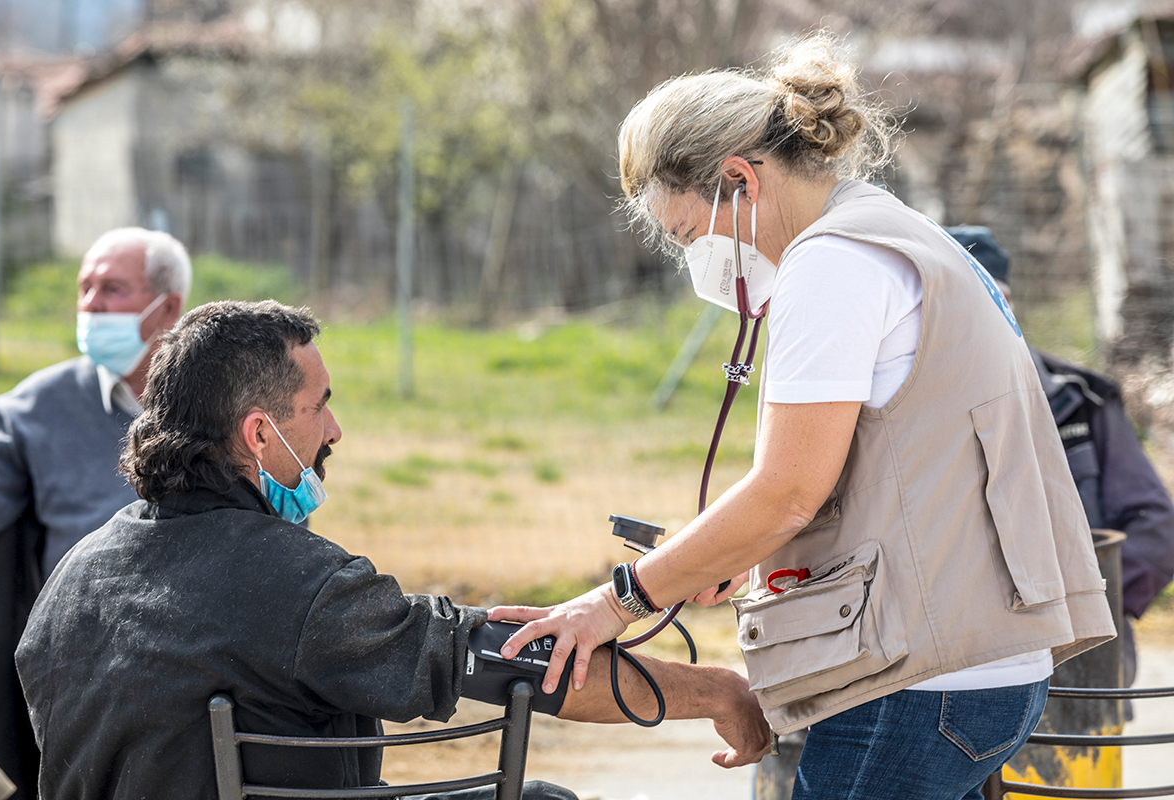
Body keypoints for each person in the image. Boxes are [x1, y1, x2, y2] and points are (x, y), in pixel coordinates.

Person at [488, 32, 1115, 800]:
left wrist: (614, 601)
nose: (698, 261)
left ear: (740, 181)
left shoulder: (831, 265)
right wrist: (732, 552)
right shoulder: (894, 231)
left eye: (691, 234)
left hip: (920, 685)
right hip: (985, 667)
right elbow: (905, 462)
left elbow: (788, 490)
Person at [13, 300, 769, 800]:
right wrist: (718, 692)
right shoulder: (297, 586)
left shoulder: (70, 582)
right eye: (321, 406)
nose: (334, 431)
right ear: (257, 434)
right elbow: (524, 666)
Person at [0, 228, 189, 799]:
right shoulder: (30, 410)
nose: (92, 305)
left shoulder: (225, 409)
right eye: (85, 288)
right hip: (77, 670)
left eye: (113, 289)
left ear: (168, 307)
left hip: (203, 660)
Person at [947, 225, 1174, 687]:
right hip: (965, 671)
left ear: (1004, 303)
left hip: (1079, 669)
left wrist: (1078, 609)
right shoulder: (903, 408)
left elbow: (1157, 527)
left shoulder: (1081, 401)